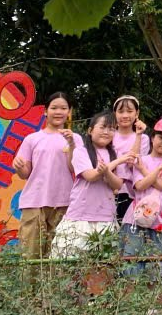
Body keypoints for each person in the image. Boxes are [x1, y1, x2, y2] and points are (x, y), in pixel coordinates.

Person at [51, 110, 123, 258]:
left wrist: (107, 171)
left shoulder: (114, 154)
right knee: (70, 261)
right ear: (90, 130)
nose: (107, 132)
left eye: (111, 128)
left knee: (103, 265)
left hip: (105, 216)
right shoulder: (80, 152)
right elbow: (91, 176)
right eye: (102, 127)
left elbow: (117, 185)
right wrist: (116, 163)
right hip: (81, 215)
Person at [13, 92, 75, 259]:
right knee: (30, 255)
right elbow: (25, 173)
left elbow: (74, 168)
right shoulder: (32, 139)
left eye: (63, 108)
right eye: (54, 108)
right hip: (34, 202)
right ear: (45, 111)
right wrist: (19, 167)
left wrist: (72, 145)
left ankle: (54, 287)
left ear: (69, 112)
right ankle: (28, 287)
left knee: (59, 256)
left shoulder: (74, 139)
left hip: (64, 203)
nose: (59, 112)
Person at [120, 117, 162, 279]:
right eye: (161, 137)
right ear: (152, 138)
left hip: (161, 221)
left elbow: (161, 185)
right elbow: (140, 186)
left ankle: (156, 305)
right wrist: (156, 168)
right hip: (135, 219)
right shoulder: (141, 159)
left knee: (159, 269)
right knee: (131, 265)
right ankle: (128, 302)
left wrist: (145, 169)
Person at [111, 95, 149, 222]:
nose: (125, 115)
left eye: (130, 111)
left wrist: (138, 135)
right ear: (115, 114)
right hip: (109, 191)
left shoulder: (143, 138)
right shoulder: (109, 135)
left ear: (137, 113)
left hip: (131, 193)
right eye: (121, 111)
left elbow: (132, 163)